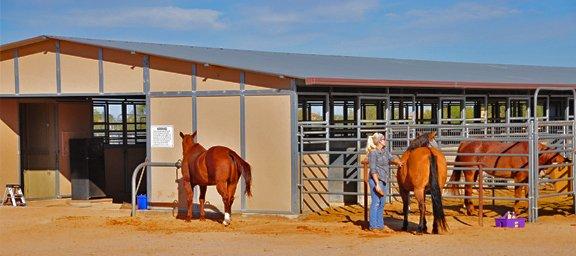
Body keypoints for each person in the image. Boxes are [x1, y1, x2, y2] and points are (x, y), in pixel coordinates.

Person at [366, 132, 403, 231]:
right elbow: (373, 170)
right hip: (376, 180)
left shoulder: (385, 150)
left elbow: (391, 158)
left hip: (384, 179)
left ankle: (380, 224)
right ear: (379, 141)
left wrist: (399, 162)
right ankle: (373, 225)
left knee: (382, 203)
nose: (385, 141)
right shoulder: (373, 153)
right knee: (376, 202)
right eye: (383, 139)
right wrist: (377, 184)